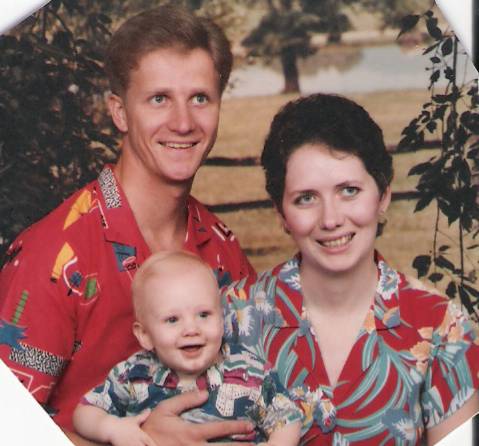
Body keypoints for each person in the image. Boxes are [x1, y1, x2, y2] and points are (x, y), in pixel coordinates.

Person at [0, 5, 255, 444]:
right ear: (119, 112)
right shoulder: (54, 256)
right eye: (159, 99)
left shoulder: (221, 247)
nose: (183, 122)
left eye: (200, 98)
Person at [222, 93, 479, 445]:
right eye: (306, 198)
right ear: (281, 213)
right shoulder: (233, 316)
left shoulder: (442, 327)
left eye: (349, 190)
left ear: (383, 195)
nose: (331, 219)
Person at [72, 251, 302, 446]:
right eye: (173, 320)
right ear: (145, 335)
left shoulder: (249, 371)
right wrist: (112, 428)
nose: (191, 329)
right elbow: (85, 412)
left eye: (203, 315)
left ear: (221, 321)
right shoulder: (133, 374)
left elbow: (287, 418)